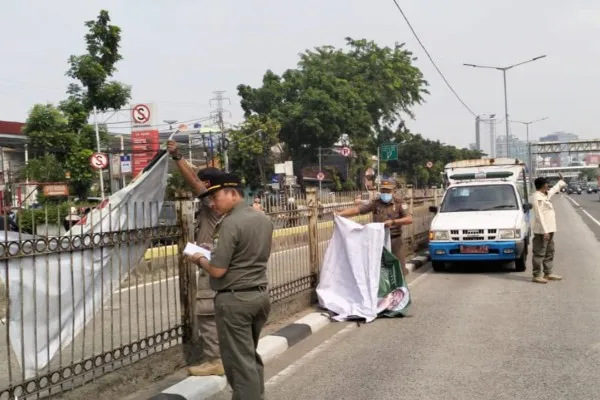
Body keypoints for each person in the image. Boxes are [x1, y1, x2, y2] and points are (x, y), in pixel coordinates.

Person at [188, 172, 273, 400]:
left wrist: (200, 258)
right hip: (259, 296)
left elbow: (217, 270)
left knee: (238, 365)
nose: (213, 203)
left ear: (233, 193)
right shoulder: (262, 219)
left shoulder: (230, 223)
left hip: (235, 301)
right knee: (249, 359)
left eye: (215, 197)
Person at [167, 139, 225, 377]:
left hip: (211, 264)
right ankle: (227, 355)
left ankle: (215, 360)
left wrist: (177, 157)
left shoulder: (213, 202)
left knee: (208, 313)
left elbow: (194, 183)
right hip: (225, 264)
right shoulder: (228, 202)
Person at [336, 179, 413, 275]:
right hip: (378, 241)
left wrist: (393, 222)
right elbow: (358, 210)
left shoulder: (400, 203)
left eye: (388, 191)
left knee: (399, 270)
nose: (385, 193)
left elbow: (409, 219)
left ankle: (400, 289)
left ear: (394, 191)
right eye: (383, 191)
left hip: (394, 240)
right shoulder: (376, 203)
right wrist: (340, 214)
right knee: (379, 270)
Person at [530, 175, 566, 284]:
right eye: (546, 183)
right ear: (542, 185)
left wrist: (561, 181)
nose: (548, 185)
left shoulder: (545, 194)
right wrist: (545, 230)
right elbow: (539, 215)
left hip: (550, 229)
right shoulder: (536, 197)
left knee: (550, 251)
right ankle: (536, 275)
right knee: (540, 252)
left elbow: (554, 189)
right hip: (542, 230)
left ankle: (548, 273)